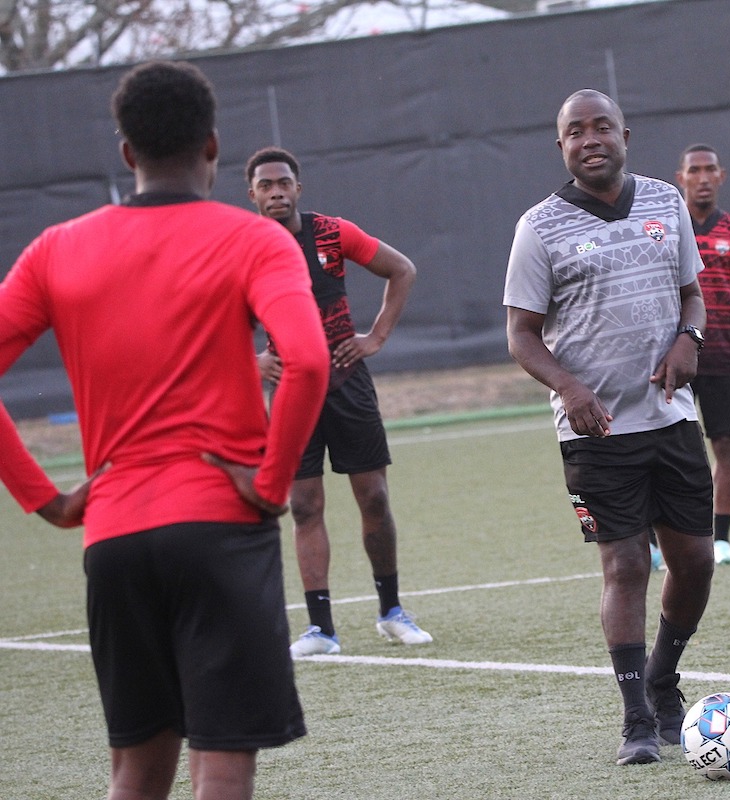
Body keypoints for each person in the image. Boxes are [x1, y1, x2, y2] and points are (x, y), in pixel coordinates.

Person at [0, 60, 329, 800]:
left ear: (126, 153)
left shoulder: (56, 248)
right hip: (220, 528)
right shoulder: (257, 241)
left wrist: (44, 499)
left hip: (112, 536)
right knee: (221, 762)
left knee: (137, 772)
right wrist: (273, 482)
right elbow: (307, 360)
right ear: (212, 147)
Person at [504, 89, 715, 766]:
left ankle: (663, 677)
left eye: (601, 127)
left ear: (625, 133)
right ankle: (636, 721)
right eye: (575, 131)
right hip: (594, 432)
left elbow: (692, 292)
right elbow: (521, 334)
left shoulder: (665, 202)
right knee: (625, 565)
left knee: (695, 562)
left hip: (672, 418)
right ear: (560, 146)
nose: (589, 138)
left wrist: (690, 340)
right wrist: (569, 386)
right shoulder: (538, 227)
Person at [245, 146, 432, 656]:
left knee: (373, 497)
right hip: (288, 392)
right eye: (266, 185)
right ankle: (321, 630)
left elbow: (402, 270)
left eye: (284, 182)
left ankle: (392, 611)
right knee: (304, 507)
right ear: (253, 195)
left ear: (298, 188)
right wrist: (250, 362)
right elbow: (213, 315)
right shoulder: (244, 247)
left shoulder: (331, 232)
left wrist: (375, 337)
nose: (277, 192)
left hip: (348, 381)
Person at [675, 143, 730, 565]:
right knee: (669, 449)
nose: (703, 177)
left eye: (711, 169)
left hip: (726, 358)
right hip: (675, 358)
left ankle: (721, 538)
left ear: (722, 176)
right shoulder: (668, 230)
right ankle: (660, 544)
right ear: (682, 178)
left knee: (725, 447)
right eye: (695, 170)